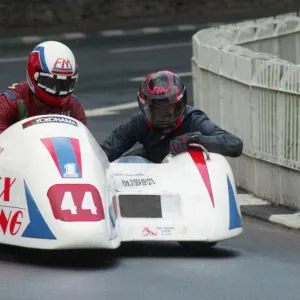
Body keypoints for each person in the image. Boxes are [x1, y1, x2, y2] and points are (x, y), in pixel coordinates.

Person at [100, 70, 243, 163]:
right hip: (151, 181)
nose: (163, 115)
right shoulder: (139, 122)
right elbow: (104, 153)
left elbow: (235, 144)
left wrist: (194, 139)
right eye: (156, 109)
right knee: (127, 162)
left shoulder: (193, 119)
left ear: (181, 103)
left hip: (186, 183)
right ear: (145, 107)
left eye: (168, 108)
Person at [0, 40, 86, 133]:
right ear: (34, 75)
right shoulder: (9, 103)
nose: (57, 90)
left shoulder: (73, 105)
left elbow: (83, 144)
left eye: (64, 84)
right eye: (52, 82)